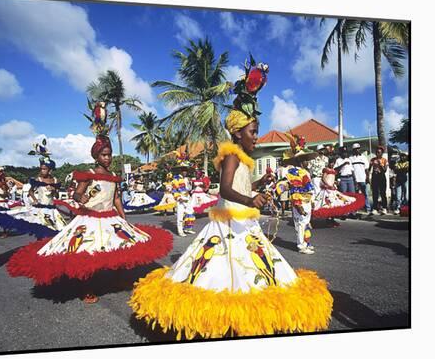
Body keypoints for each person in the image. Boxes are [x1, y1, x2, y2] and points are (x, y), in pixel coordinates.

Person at [130, 66, 332, 339]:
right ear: (237, 133)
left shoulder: (242, 159)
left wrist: (261, 185)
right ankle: (227, 318)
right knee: (224, 269)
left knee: (253, 267)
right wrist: (250, 198)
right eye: (253, 132)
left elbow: (240, 185)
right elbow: (225, 189)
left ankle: (244, 317)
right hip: (229, 221)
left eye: (257, 131)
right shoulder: (232, 156)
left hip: (244, 219)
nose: (256, 137)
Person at [7, 103, 172, 304]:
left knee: (119, 248)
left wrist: (123, 217)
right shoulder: (89, 174)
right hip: (90, 219)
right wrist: (80, 198)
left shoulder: (114, 176)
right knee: (88, 254)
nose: (108, 158)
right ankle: (87, 288)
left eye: (110, 154)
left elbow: (117, 197)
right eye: (104, 154)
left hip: (110, 218)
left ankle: (119, 279)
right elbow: (77, 194)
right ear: (96, 156)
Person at [276, 135, 318, 254]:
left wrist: (312, 201)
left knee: (306, 224)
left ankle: (306, 242)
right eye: (304, 160)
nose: (307, 162)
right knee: (300, 224)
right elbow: (294, 190)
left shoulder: (305, 172)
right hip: (300, 202)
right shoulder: (294, 172)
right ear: (300, 161)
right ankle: (301, 246)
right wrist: (298, 205)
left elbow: (309, 188)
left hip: (307, 201)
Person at [171, 160, 196, 237]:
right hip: (181, 198)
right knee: (180, 215)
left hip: (188, 197)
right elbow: (174, 190)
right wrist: (178, 198)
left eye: (186, 170)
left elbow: (189, 189)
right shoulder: (176, 179)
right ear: (180, 171)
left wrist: (191, 183)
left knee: (190, 213)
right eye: (183, 170)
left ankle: (187, 228)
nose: (185, 172)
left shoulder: (188, 179)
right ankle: (180, 231)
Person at [349, 143, 371, 213]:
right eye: (356, 149)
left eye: (359, 148)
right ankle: (356, 209)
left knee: (365, 194)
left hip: (363, 179)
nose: (358, 150)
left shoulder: (364, 157)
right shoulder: (350, 158)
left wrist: (367, 177)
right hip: (354, 180)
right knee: (355, 195)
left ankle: (368, 208)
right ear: (353, 150)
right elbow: (351, 170)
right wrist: (354, 179)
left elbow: (366, 169)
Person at [369, 146, 389, 215]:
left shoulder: (384, 160)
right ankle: (375, 208)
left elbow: (385, 170)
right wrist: (368, 177)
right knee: (375, 193)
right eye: (377, 152)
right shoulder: (372, 159)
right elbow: (369, 169)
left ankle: (384, 207)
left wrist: (380, 164)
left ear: (382, 153)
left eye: (379, 152)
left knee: (383, 193)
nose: (378, 154)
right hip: (375, 176)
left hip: (382, 176)